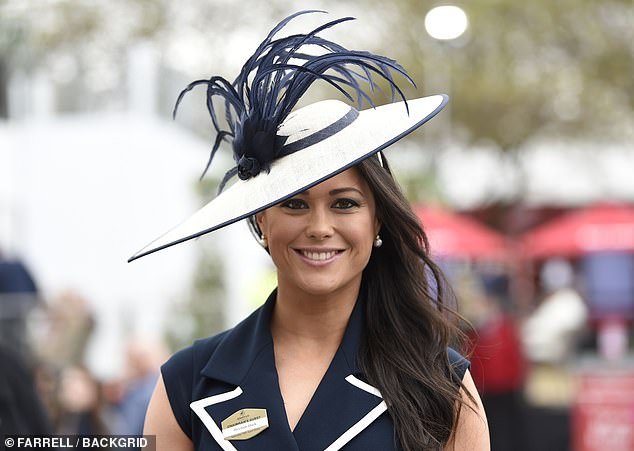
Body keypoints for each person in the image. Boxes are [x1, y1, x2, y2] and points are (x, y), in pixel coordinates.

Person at [132, 11, 489, 451]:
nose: (320, 228)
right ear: (261, 220)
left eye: (344, 204)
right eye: (294, 204)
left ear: (377, 220)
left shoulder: (441, 382)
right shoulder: (187, 383)